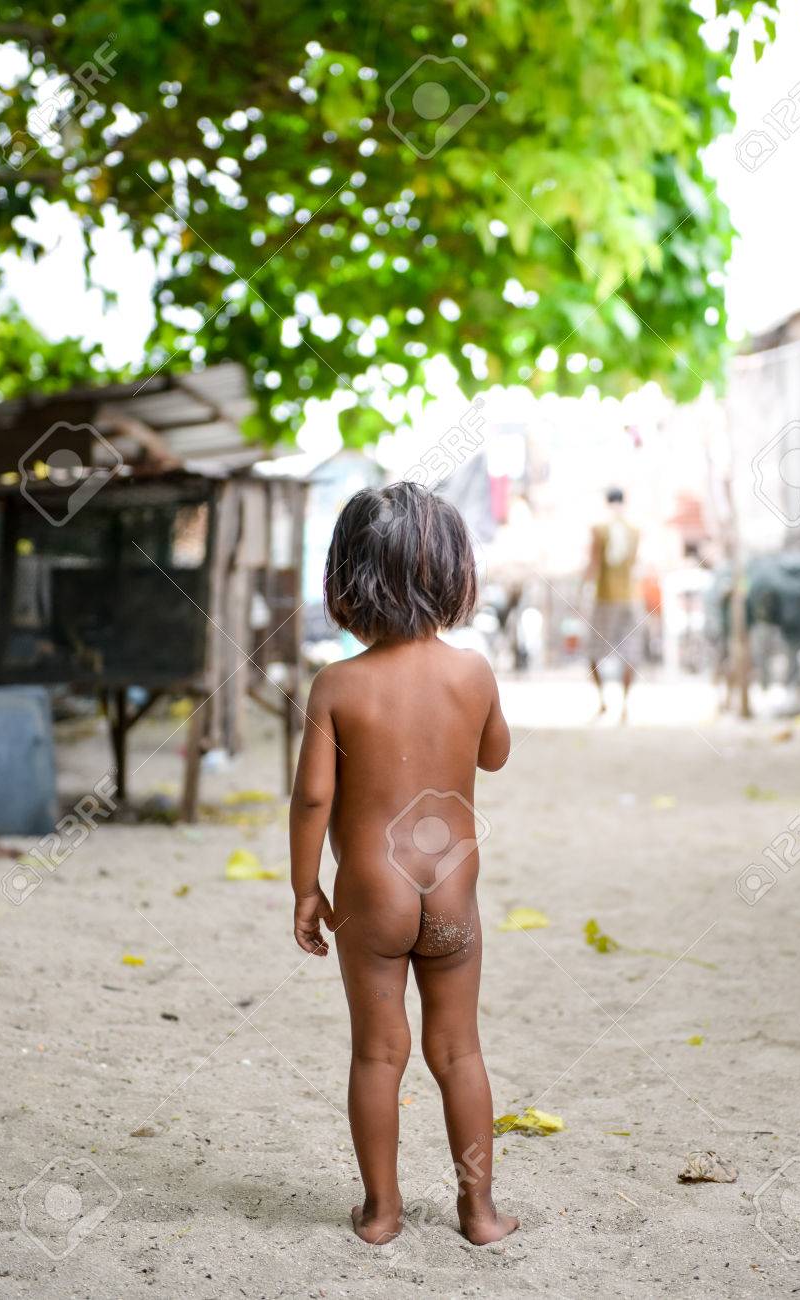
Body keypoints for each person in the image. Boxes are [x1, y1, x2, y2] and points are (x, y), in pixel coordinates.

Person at [289, 482, 517, 1248]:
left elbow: (312, 802)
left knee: (377, 1053)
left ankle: (381, 1213)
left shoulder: (336, 686)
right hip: (451, 888)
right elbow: (495, 753)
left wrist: (304, 889)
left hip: (369, 892)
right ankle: (478, 1212)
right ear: (454, 577)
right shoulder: (473, 673)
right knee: (458, 1049)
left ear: (346, 580)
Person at [585, 487, 641, 721]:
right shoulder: (634, 530)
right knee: (630, 655)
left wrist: (582, 591)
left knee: (593, 653)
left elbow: (594, 564)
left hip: (605, 598)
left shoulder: (599, 529)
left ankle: (602, 702)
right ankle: (625, 706)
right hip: (630, 597)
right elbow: (634, 562)